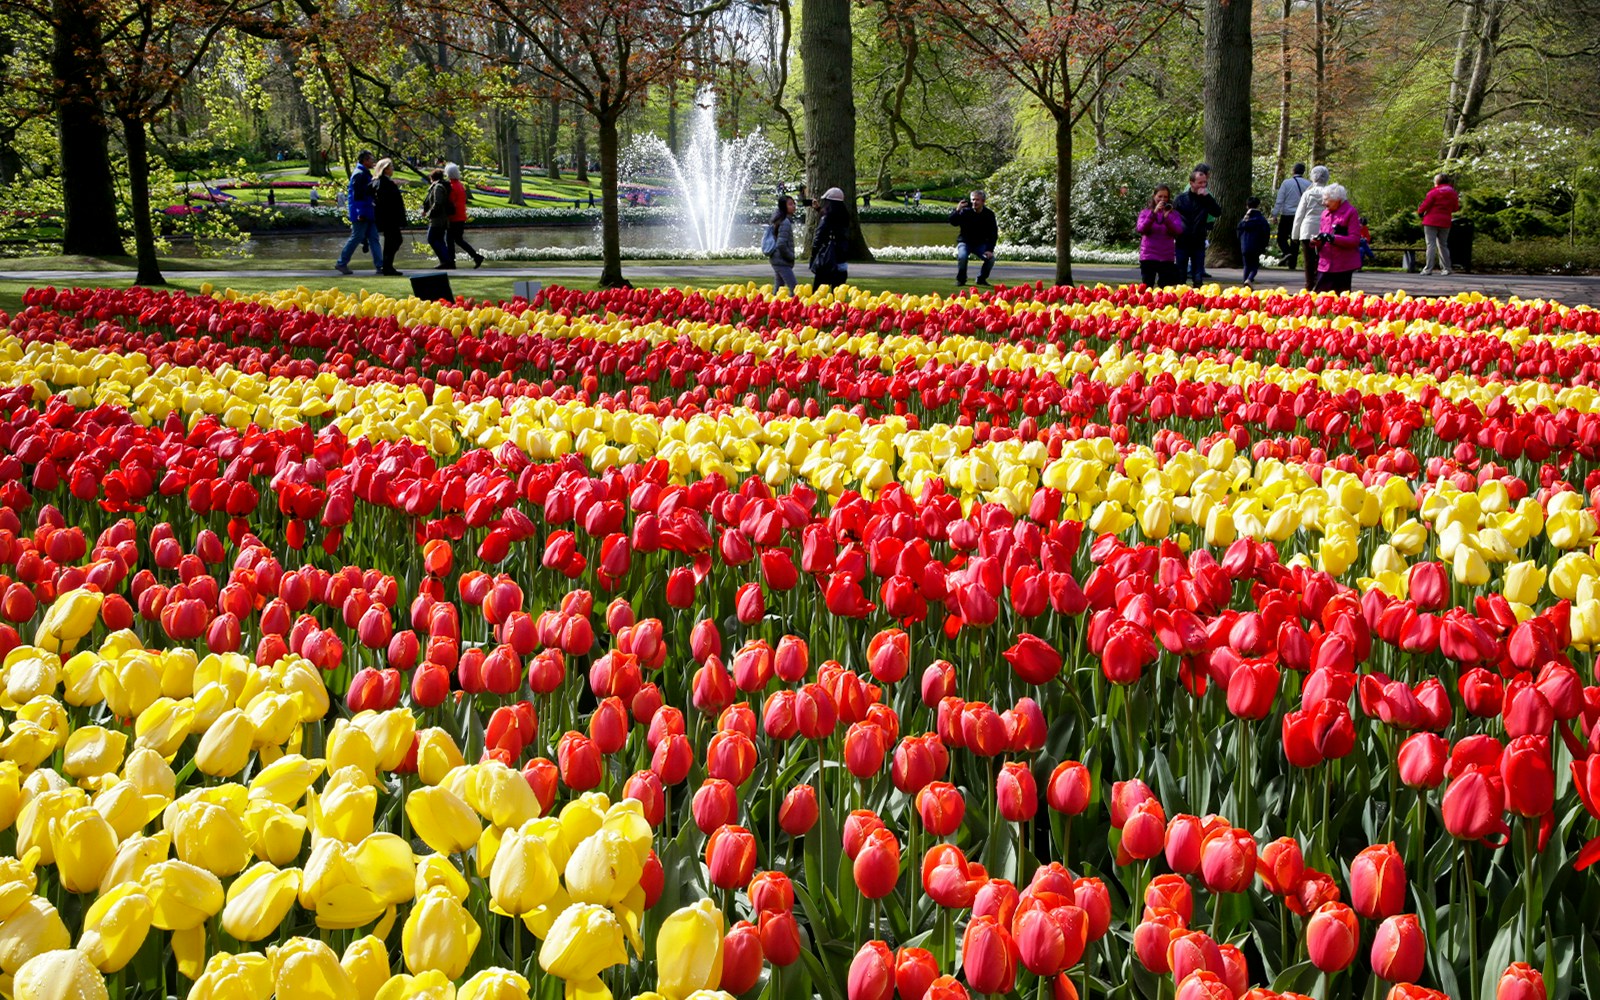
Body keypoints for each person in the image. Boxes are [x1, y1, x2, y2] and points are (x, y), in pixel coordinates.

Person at [334, 150, 380, 275]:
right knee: (357, 237)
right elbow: (357, 196)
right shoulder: (359, 174)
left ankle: (380, 265)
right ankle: (341, 262)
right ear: (365, 161)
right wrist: (360, 213)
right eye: (371, 159)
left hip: (368, 211)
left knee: (374, 238)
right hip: (362, 212)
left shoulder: (363, 173)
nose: (373, 161)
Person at [1173, 166, 1220, 286]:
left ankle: (1197, 295)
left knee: (1198, 276)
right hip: (1182, 241)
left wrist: (1207, 198)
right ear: (1191, 183)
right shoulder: (1181, 199)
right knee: (1180, 275)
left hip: (1198, 241)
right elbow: (1172, 217)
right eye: (1200, 183)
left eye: (1205, 182)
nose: (1203, 185)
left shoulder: (1206, 199)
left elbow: (1217, 212)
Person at [1313, 183, 1362, 293]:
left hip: (1343, 265)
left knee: (1341, 298)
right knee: (1319, 296)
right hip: (1325, 264)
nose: (1323, 203)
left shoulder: (1350, 212)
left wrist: (1333, 238)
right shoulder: (1324, 214)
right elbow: (1322, 234)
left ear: (1337, 200)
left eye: (1326, 200)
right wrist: (1316, 241)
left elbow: (1354, 240)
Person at [1291, 165, 1333, 292]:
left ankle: (1309, 284)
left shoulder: (1307, 194)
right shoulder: (1330, 194)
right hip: (1325, 229)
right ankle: (1321, 285)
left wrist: (1295, 235)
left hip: (1307, 229)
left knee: (1309, 260)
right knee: (1323, 259)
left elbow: (1299, 215)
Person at [1135, 184, 1183, 287]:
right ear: (1154, 196)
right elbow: (1141, 229)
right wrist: (1153, 214)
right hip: (1149, 256)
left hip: (1166, 256)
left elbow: (1178, 230)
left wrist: (1167, 218)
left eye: (1165, 197)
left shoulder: (1173, 214)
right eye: (1160, 196)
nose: (1162, 199)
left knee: (1165, 289)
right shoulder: (1145, 212)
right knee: (1147, 287)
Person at [949, 189, 999, 287]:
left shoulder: (989, 214)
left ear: (983, 201)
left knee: (991, 259)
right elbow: (953, 222)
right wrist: (957, 210)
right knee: (962, 256)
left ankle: (981, 279)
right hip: (965, 242)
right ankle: (961, 280)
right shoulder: (965, 211)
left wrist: (990, 250)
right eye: (973, 200)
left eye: (977, 200)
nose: (974, 202)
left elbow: (993, 234)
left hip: (980, 245)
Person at [1418, 172, 1460, 275]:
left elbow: (1425, 205)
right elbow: (1455, 208)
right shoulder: (1453, 193)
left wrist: (1420, 212)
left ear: (1437, 181)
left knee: (1431, 245)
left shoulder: (1434, 192)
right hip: (1445, 221)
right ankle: (1446, 268)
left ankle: (1428, 269)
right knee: (1443, 245)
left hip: (1431, 221)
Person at [444, 163, 483, 268]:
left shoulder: (452, 186)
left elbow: (450, 202)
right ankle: (475, 257)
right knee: (457, 240)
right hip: (461, 215)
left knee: (451, 240)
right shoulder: (460, 185)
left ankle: (452, 262)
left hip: (454, 217)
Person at [809, 188, 849, 287]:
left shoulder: (826, 218)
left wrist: (813, 257)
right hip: (841, 261)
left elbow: (818, 238)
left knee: (818, 293)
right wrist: (818, 209)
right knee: (838, 294)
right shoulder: (845, 217)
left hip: (827, 260)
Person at [372, 158, 406, 276]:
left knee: (392, 241)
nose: (392, 169)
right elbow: (388, 202)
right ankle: (387, 266)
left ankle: (387, 265)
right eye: (391, 167)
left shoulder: (378, 182)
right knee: (394, 240)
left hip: (387, 217)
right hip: (390, 217)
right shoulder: (385, 183)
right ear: (385, 169)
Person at [1272, 163, 1309, 267]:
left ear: (1293, 171)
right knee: (1295, 239)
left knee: (1281, 238)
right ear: (1303, 172)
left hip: (1287, 215)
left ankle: (1287, 252)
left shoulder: (1286, 183)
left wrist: (1275, 214)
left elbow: (1279, 200)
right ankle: (1292, 264)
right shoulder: (1308, 184)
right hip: (1301, 215)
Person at [421, 168, 454, 267]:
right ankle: (446, 261)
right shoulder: (440, 186)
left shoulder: (437, 187)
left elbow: (438, 203)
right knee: (439, 240)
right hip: (441, 218)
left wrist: (430, 213)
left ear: (432, 178)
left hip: (438, 219)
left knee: (431, 239)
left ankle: (445, 260)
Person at [1237, 196, 1271, 286]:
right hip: (1256, 246)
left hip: (1245, 246)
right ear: (1258, 206)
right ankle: (1249, 279)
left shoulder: (1244, 221)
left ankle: (1245, 283)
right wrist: (1264, 244)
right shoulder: (1261, 220)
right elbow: (1266, 233)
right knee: (1254, 266)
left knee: (1246, 266)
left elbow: (1239, 232)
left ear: (1247, 206)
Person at [766, 195, 798, 294]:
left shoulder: (779, 220)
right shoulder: (785, 222)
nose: (794, 206)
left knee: (778, 288)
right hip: (781, 261)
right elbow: (781, 244)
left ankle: (771, 303)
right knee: (795, 289)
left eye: (794, 204)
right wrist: (790, 256)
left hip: (777, 259)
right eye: (790, 204)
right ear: (784, 207)